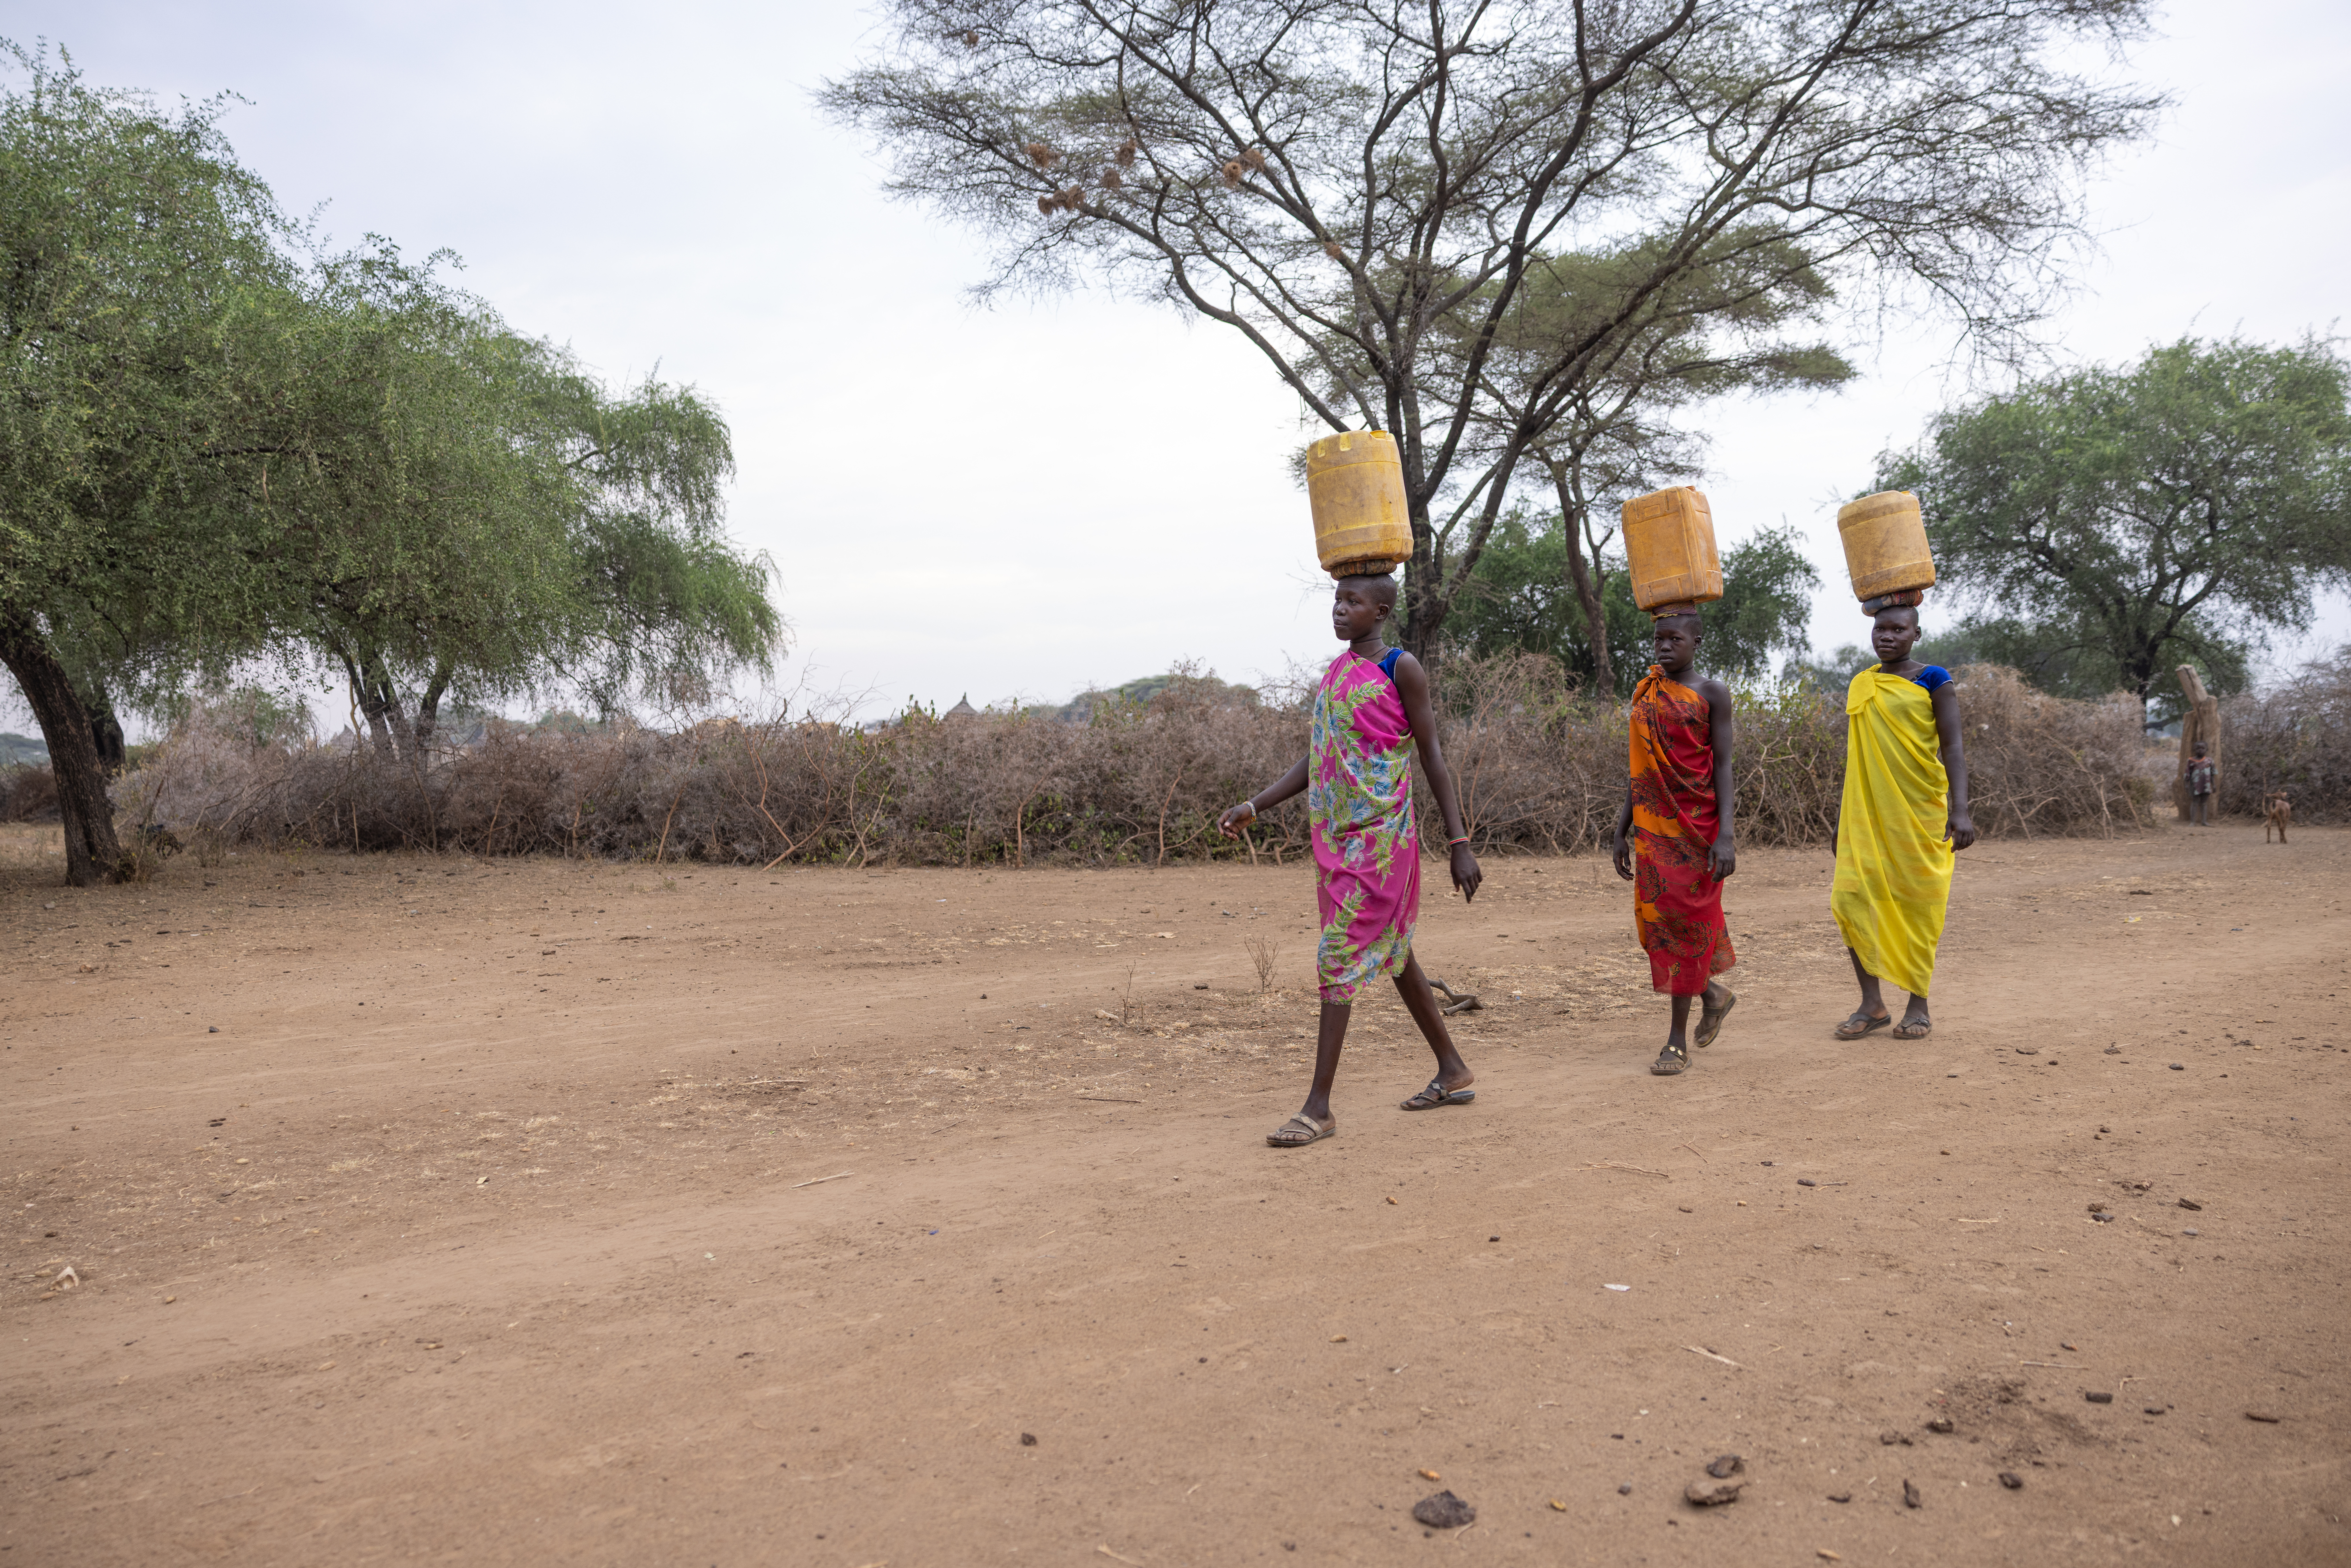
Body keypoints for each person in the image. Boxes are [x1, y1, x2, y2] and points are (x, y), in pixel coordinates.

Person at [1217, 572, 1482, 1147]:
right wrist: (1253, 805)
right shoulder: (1336, 674)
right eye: (1337, 600)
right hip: (1340, 840)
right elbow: (1317, 759)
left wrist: (1459, 843)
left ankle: (1319, 1107)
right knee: (1394, 952)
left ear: (1382, 609)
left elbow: (1432, 755)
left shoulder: (1399, 667)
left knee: (1337, 954)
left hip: (1385, 840)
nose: (1340, 610)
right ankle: (1452, 1068)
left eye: (1353, 601)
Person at [1831, 598, 1975, 1041]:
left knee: (1919, 905)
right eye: (1881, 630)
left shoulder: (1935, 680)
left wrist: (1962, 809)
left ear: (1917, 634)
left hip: (1919, 809)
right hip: (1868, 814)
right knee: (1851, 899)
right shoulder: (1863, 684)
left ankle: (1918, 1003)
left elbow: (1952, 748)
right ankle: (1872, 1004)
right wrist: (1844, 822)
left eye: (1897, 630)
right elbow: (1858, 760)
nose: (1887, 637)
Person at [1612, 605, 1737, 1076]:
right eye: (1658, 639)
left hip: (1698, 828)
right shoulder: (1645, 692)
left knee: (1687, 928)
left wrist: (1725, 835)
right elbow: (1640, 768)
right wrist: (1620, 828)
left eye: (1674, 639)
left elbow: (1722, 765)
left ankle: (1675, 1042)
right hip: (1652, 828)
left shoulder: (1711, 693)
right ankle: (1713, 993)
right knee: (1658, 925)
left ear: (1696, 642)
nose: (1663, 646)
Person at [2186, 741, 2216, 827]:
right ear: (2195, 749)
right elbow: (2187, 774)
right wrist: (2187, 784)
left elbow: (2213, 774)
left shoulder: (2210, 761)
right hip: (2195, 786)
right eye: (2198, 748)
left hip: (2206, 785)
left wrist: (2214, 785)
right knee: (2195, 802)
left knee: (2204, 803)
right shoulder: (2191, 761)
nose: (2200, 750)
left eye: (2203, 748)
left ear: (2207, 749)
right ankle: (2193, 822)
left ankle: (2204, 821)